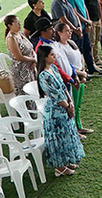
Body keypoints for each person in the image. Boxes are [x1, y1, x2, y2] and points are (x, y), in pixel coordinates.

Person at [36, 46, 84, 177]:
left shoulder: (54, 69)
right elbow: (55, 95)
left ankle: (67, 161)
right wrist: (68, 106)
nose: (54, 56)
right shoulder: (43, 75)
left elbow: (63, 88)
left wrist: (70, 102)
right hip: (55, 112)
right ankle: (60, 167)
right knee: (58, 139)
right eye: (51, 55)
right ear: (45, 57)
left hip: (64, 106)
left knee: (67, 135)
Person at [4, 15, 37, 96]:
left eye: (19, 22)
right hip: (20, 70)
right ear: (9, 25)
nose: (19, 24)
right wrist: (32, 60)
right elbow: (19, 57)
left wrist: (33, 59)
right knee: (25, 92)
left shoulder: (21, 34)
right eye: (16, 23)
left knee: (34, 90)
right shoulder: (11, 38)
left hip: (30, 67)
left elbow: (30, 48)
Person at [79, 0, 102, 70]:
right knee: (91, 42)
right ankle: (92, 61)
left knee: (97, 39)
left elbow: (98, 3)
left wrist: (101, 17)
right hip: (90, 20)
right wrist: (88, 21)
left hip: (97, 18)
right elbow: (84, 7)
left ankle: (97, 58)